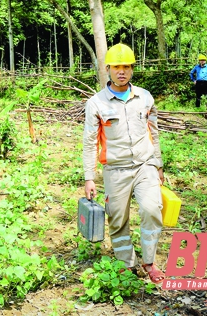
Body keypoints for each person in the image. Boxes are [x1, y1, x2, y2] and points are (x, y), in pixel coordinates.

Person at [82, 43, 165, 283]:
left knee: (152, 210)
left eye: (126, 66)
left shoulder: (145, 97)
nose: (122, 71)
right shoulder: (96, 103)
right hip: (115, 170)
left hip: (144, 165)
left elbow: (154, 133)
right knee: (118, 220)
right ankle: (126, 264)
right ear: (108, 69)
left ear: (132, 69)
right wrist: (89, 177)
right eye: (117, 66)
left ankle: (149, 262)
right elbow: (89, 143)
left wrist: (158, 164)